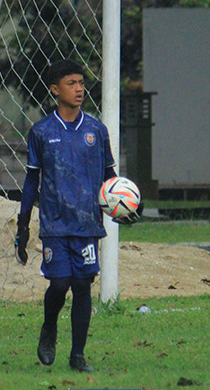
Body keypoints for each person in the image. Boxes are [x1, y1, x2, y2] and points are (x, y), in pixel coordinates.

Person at [13, 59, 138, 373]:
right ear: (55, 89)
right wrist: (23, 223)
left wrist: (124, 206)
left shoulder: (96, 130)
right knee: (60, 283)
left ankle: (78, 355)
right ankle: (49, 327)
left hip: (87, 224)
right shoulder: (42, 131)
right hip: (54, 222)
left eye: (81, 82)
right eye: (71, 83)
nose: (79, 88)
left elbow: (110, 178)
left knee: (83, 284)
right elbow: (31, 180)